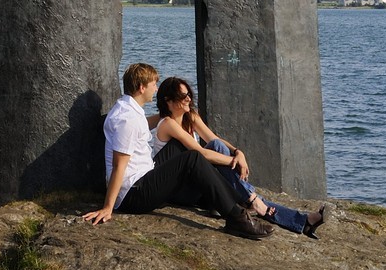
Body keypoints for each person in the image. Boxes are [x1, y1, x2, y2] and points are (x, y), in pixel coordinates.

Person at [82, 62, 273, 239]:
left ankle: (215, 199)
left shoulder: (129, 109)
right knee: (192, 158)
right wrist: (108, 207)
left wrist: (172, 112)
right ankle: (236, 218)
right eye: (153, 84)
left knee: (180, 144)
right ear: (142, 88)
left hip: (144, 176)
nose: (155, 89)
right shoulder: (127, 120)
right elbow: (119, 166)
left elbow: (145, 125)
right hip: (134, 194)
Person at [151, 75, 325, 238]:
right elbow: (201, 152)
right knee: (245, 193)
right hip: (179, 189)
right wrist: (233, 161)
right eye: (183, 96)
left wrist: (237, 152)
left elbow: (214, 140)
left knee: (218, 148)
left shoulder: (191, 117)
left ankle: (301, 221)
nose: (188, 98)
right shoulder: (167, 124)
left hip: (197, 183)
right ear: (168, 100)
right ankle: (258, 203)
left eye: (189, 94)